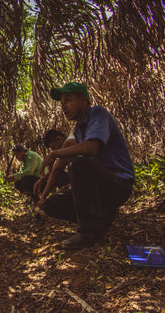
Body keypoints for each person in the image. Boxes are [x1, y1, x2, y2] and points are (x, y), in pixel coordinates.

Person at [40, 82, 134, 250]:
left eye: (68, 100)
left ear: (83, 99)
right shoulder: (78, 129)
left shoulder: (98, 114)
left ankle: (90, 233)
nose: (64, 107)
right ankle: (101, 217)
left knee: (77, 163)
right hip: (101, 183)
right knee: (50, 204)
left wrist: (55, 153)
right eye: (61, 103)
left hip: (119, 184)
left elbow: (91, 148)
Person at [33, 129, 75, 196]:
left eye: (53, 147)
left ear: (58, 139)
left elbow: (57, 169)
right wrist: (43, 178)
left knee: (60, 177)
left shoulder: (69, 142)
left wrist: (44, 197)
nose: (55, 150)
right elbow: (56, 168)